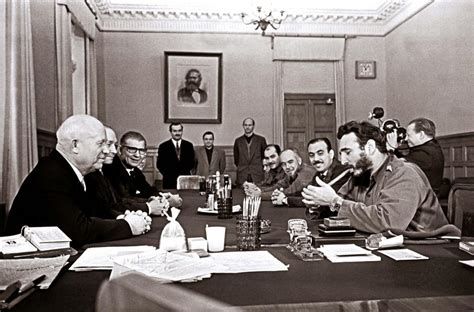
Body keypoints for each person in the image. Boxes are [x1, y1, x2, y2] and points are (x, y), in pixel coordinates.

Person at [6, 115, 150, 247]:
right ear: (75, 145)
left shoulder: (75, 172)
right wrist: (128, 226)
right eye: (100, 143)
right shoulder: (51, 174)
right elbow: (79, 231)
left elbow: (96, 211)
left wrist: (123, 217)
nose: (106, 151)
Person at [302, 121, 459, 237]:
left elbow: (388, 222)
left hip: (428, 249)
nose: (343, 161)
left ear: (370, 147)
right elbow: (340, 207)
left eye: (348, 152)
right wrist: (318, 204)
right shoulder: (361, 174)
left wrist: (334, 202)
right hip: (390, 247)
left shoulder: (405, 173)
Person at [87, 128, 172, 216]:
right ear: (120, 150)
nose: (137, 155)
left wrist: (160, 198)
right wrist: (149, 206)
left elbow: (147, 190)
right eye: (132, 150)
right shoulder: (108, 169)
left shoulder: (135, 170)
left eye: (141, 151)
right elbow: (119, 202)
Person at [286, 138, 352, 214]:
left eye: (320, 153)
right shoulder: (318, 174)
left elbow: (322, 203)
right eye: (311, 155)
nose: (316, 159)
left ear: (331, 154)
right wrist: (285, 197)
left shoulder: (343, 173)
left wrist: (285, 200)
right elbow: (307, 193)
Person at [387, 117, 444, 194]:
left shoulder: (425, 154)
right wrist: (395, 149)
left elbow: (395, 167)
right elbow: (405, 159)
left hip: (421, 200)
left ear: (421, 135)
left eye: (409, 135)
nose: (406, 139)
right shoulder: (431, 148)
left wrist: (391, 148)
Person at [157, 123, 195, 189]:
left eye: (179, 130)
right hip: (169, 182)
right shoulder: (163, 146)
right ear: (170, 132)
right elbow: (160, 165)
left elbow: (192, 163)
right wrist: (169, 175)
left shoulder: (189, 145)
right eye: (174, 131)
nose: (177, 133)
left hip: (185, 181)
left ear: (182, 131)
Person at [233, 117, 267, 185]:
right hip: (242, 174)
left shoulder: (261, 140)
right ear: (243, 126)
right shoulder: (238, 141)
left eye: (249, 125)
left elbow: (265, 157)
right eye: (245, 125)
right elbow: (236, 159)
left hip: (257, 174)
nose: (247, 127)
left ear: (253, 126)